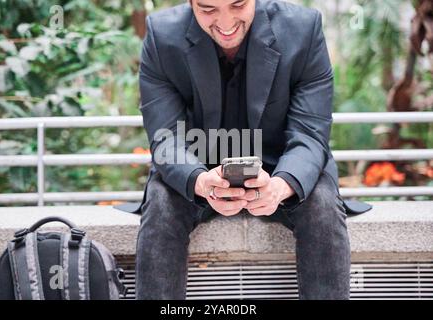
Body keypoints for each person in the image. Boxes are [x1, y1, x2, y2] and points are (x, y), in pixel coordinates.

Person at [134, 0, 351, 300]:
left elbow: (310, 134)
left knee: (323, 204)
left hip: (282, 166)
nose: (225, 22)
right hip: (196, 166)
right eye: (208, 9)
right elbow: (166, 139)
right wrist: (199, 181)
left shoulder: (304, 29)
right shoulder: (161, 35)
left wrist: (281, 186)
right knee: (160, 201)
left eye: (237, 5)